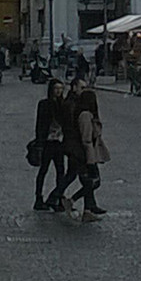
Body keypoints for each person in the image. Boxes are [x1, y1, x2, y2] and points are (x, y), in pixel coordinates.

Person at [47, 89, 108, 222]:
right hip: (85, 155)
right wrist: (91, 161)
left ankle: (87, 209)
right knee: (94, 181)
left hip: (81, 153)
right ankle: (71, 200)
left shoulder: (81, 113)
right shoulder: (85, 115)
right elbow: (86, 140)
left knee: (87, 181)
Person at [33, 78, 66, 210]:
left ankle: (58, 199)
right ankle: (38, 198)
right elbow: (40, 124)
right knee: (43, 171)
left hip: (59, 143)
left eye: (61, 88)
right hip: (47, 143)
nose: (58, 91)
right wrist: (39, 142)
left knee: (60, 171)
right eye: (56, 88)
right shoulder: (44, 104)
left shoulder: (63, 104)